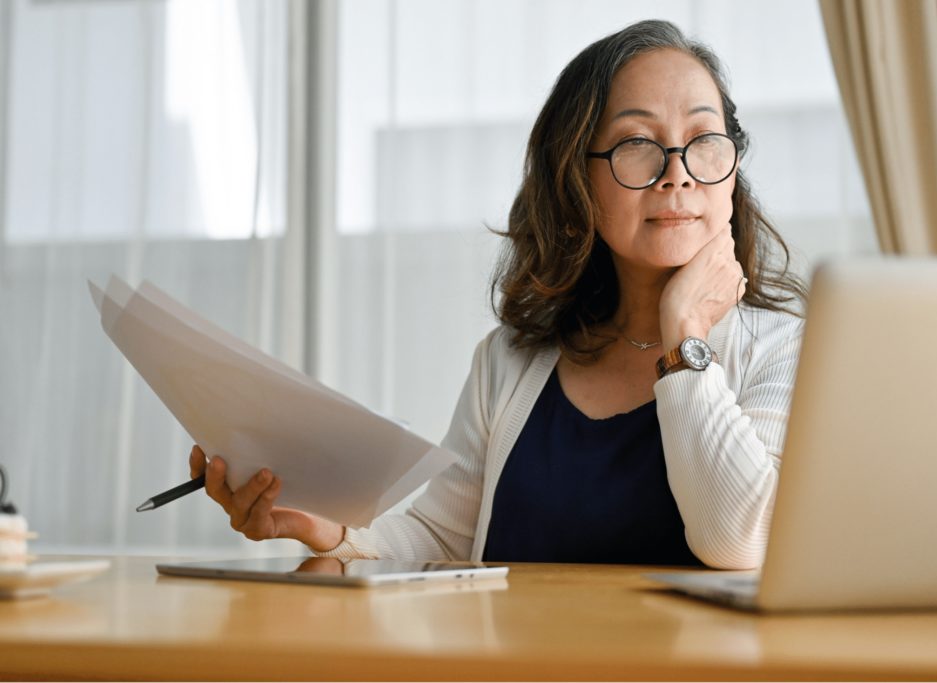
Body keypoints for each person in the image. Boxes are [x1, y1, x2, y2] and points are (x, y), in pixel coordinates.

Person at [188, 19, 806, 570]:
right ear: (578, 181)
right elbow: (440, 537)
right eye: (636, 144)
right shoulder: (507, 361)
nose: (677, 170)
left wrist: (685, 337)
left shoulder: (785, 350)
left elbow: (739, 542)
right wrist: (331, 533)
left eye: (703, 140)